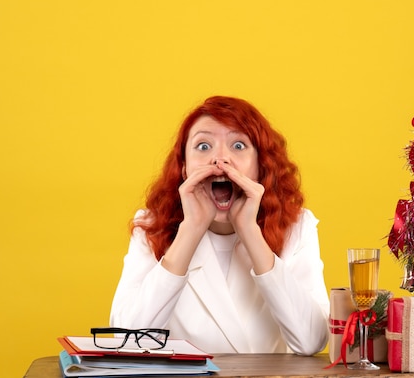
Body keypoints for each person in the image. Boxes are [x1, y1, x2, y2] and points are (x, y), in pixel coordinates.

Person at [110, 96, 329, 355]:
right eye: (203, 146)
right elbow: (127, 340)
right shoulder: (150, 226)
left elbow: (311, 341)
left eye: (238, 145)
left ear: (260, 167)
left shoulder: (297, 226)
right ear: (184, 169)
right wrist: (191, 228)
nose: (221, 159)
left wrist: (249, 230)